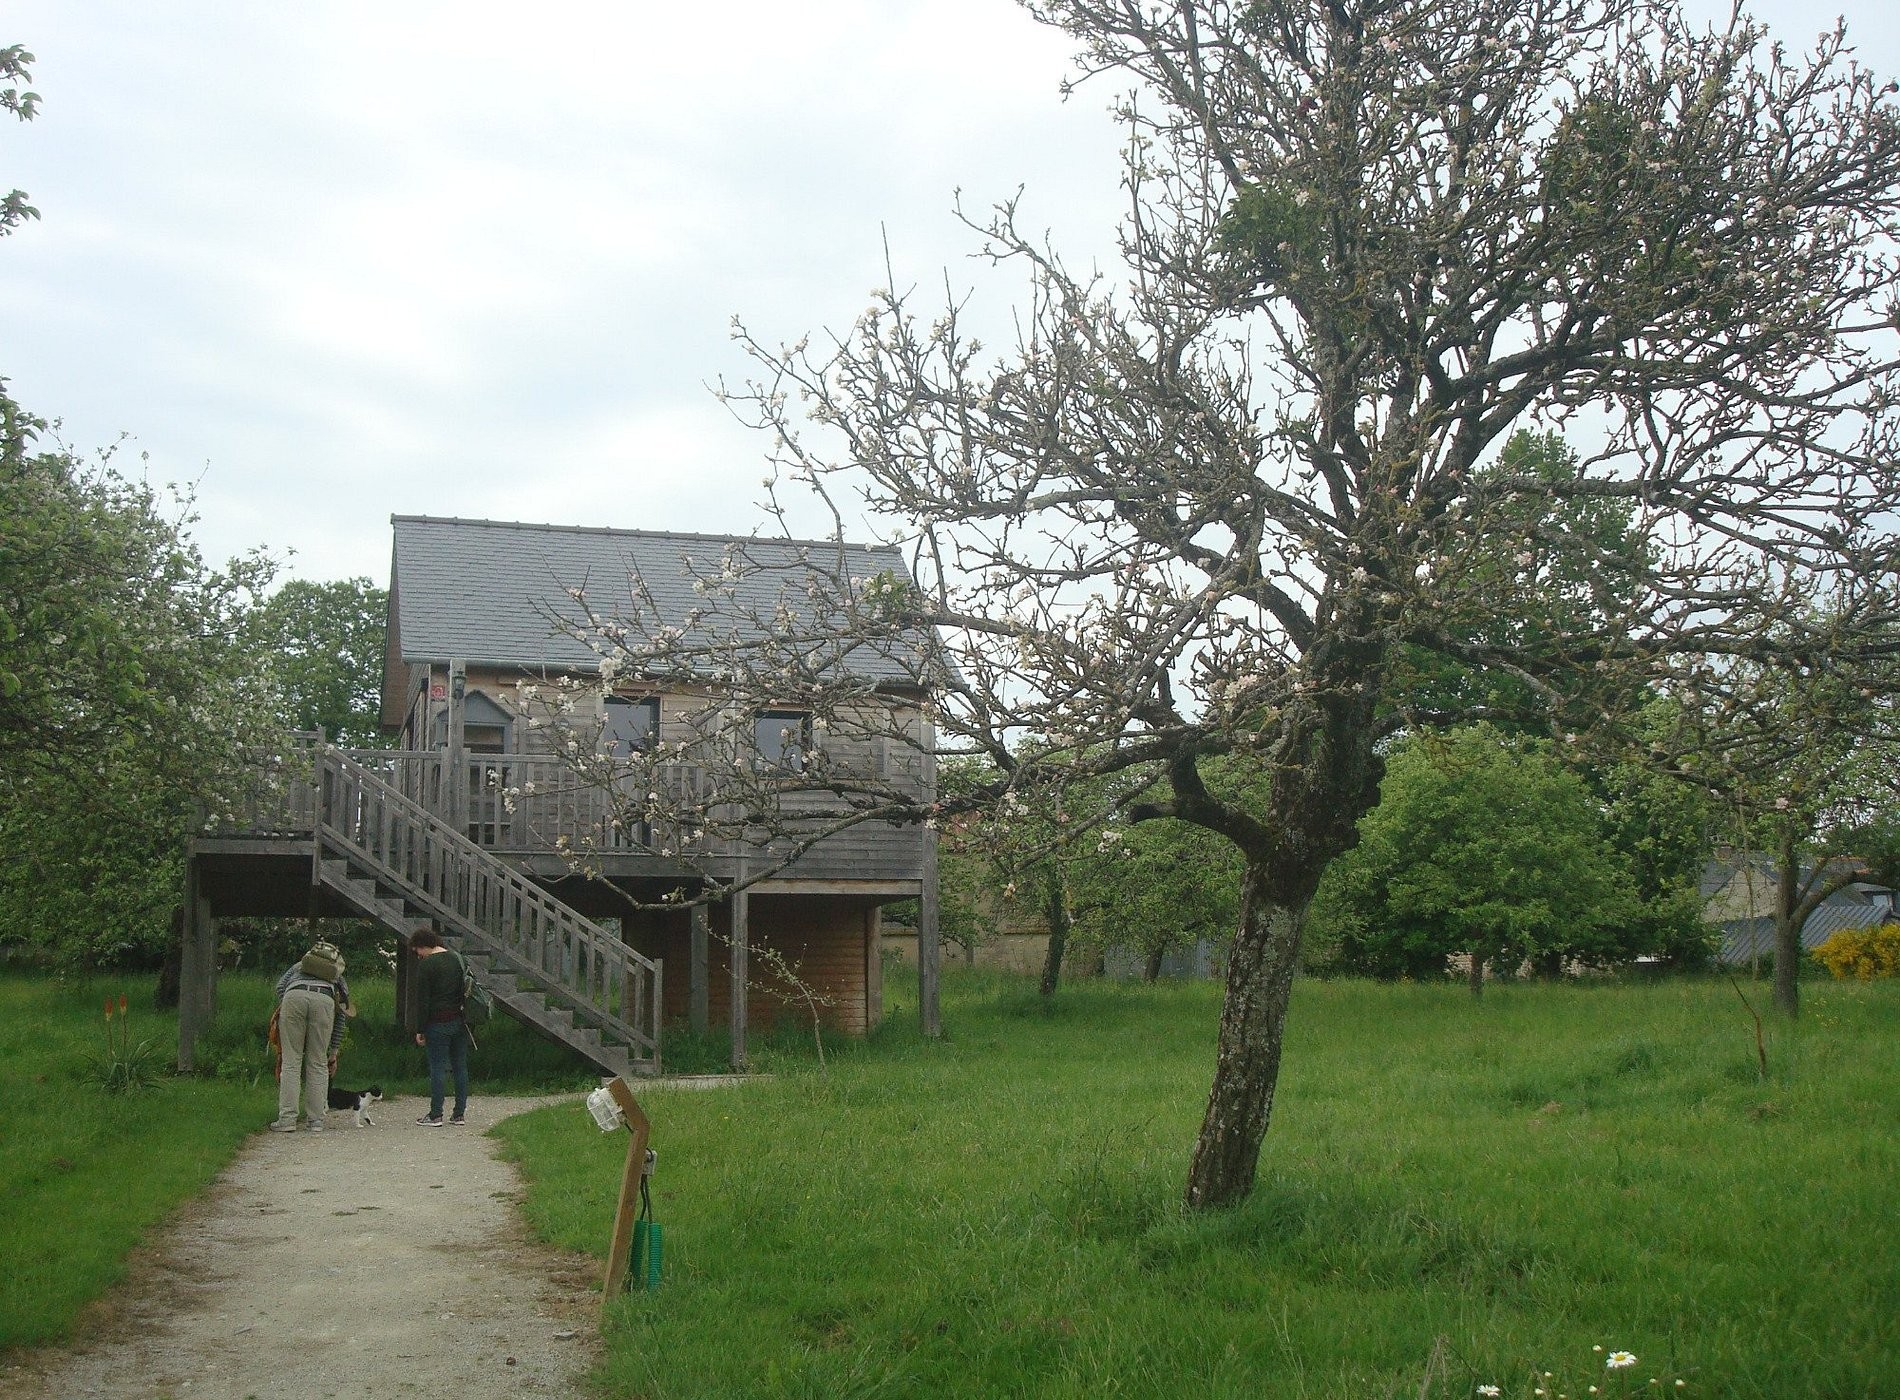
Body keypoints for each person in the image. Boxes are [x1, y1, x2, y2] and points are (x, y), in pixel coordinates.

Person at [271, 942, 352, 1133]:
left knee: (291, 1062)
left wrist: (290, 1004)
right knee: (317, 1063)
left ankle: (287, 1120)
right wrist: (333, 1052)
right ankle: (316, 1121)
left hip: (294, 996)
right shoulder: (337, 976)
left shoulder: (299, 966)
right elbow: (341, 1014)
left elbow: (280, 986)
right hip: (324, 1000)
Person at [410, 927, 469, 1126]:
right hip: (460, 1021)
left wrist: (420, 1029)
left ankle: (436, 1114)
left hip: (437, 1023)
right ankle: (459, 1114)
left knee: (438, 1068)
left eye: (417, 950)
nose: (417, 955)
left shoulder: (427, 966)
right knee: (460, 1066)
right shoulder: (458, 959)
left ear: (423, 946)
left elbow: (423, 1001)